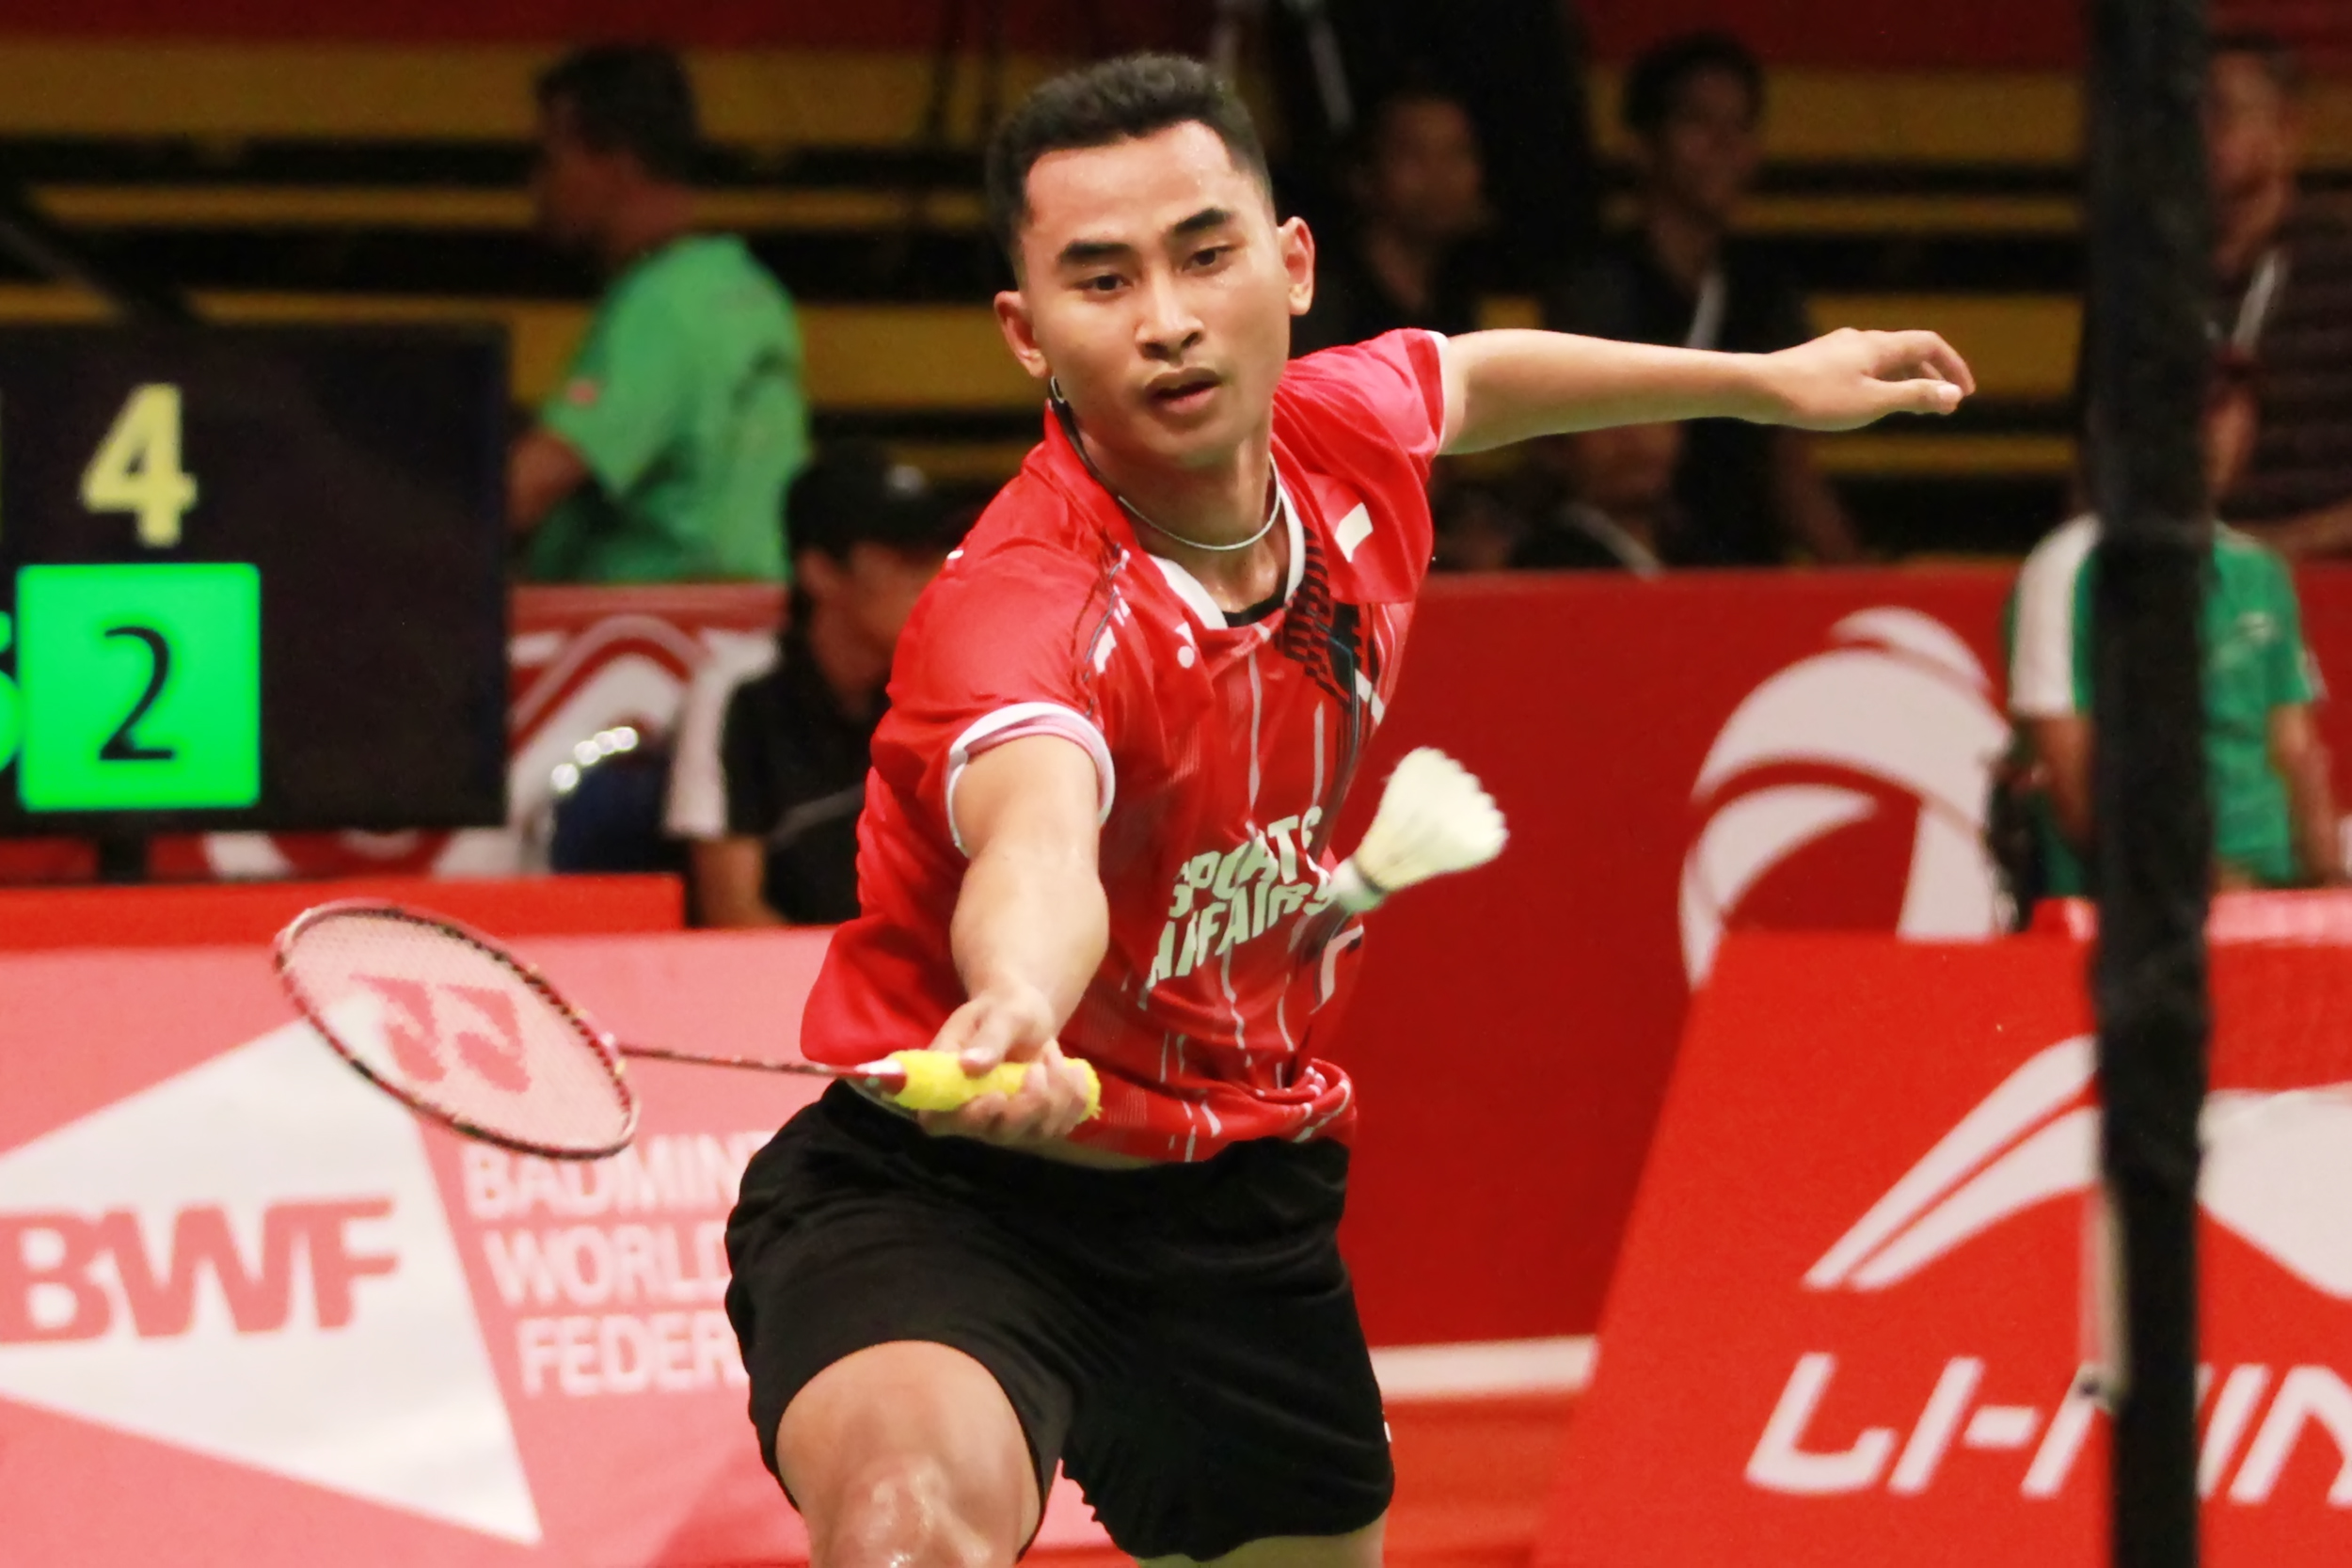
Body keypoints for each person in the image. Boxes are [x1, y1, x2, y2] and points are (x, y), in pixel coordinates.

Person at [723, 53, 1968, 1568]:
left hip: (1236, 1197)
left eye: (1205, 255)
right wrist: (1019, 999)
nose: (1167, 318)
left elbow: (1471, 377)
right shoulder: (1022, 609)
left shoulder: (1343, 435)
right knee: (907, 1525)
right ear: (1026, 332)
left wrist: (1766, 385)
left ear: (1294, 264)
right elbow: (1038, 831)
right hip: (945, 1193)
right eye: (1102, 280)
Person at [2006, 351, 2344, 902]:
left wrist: (2330, 887)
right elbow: (2073, 787)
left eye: (2228, 410)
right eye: (2193, 410)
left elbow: (2297, 751)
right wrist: (2205, 889)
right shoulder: (2067, 571)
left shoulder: (2260, 573)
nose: (2212, 432)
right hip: (2135, 910)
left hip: (2275, 903)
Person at [1548, 31, 1861, 566]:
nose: (1723, 145)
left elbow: (1792, 470)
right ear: (1642, 142)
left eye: (1741, 125)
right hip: (1622, 568)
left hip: (1742, 573)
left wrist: (1858, 579)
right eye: (1698, 121)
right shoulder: (1597, 284)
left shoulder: (1765, 289)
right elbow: (1575, 454)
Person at [509, 45, 811, 583]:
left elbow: (523, 490)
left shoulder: (659, 309)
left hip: (660, 623)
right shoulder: (748, 291)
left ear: (616, 165)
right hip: (748, 614)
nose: (537, 186)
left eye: (550, 158)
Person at [665, 447, 963, 927]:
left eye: (937, 556)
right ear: (820, 572)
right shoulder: (739, 695)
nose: (933, 580)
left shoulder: (948, 686)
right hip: (777, 973)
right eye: (906, 559)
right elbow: (732, 913)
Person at [2205, 29, 2352, 558]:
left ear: (2288, 129)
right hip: (2184, 583)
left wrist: (2274, 552)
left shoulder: (2338, 269)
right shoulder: (2153, 278)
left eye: (2222, 111)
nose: (2201, 133)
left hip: (2325, 584)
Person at [1289, 85, 1488, 355]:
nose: (1442, 175)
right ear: (1361, 175)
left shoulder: (1476, 285)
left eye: (1457, 152)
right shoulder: (1325, 304)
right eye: (1414, 155)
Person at [1510, 424, 1681, 574]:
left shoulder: (1684, 542)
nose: (1636, 438)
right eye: (1608, 419)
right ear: (1555, 447)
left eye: (1650, 415)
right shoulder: (1549, 562)